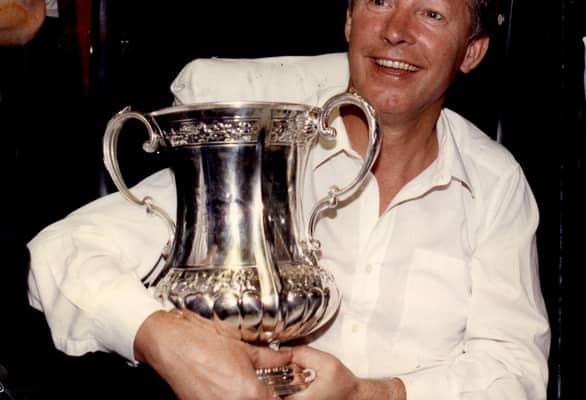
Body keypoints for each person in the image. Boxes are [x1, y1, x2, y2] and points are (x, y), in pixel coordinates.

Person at [26, 0, 551, 399]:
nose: (397, 31)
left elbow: (515, 369)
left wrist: (371, 393)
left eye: (432, 13)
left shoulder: (493, 183)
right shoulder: (266, 149)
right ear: (349, 20)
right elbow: (60, 252)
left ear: (471, 51)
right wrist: (163, 339)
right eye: (380, 0)